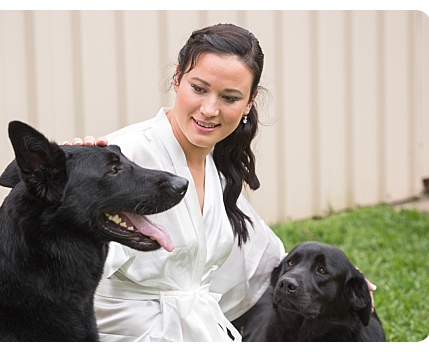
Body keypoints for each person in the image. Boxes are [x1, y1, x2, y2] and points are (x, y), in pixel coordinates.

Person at [64, 23, 283, 341]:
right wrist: (70, 176)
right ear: (178, 78)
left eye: (230, 97)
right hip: (124, 336)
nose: (210, 109)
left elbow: (262, 251)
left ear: (250, 102)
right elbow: (60, 250)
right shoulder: (126, 155)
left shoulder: (212, 166)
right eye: (199, 88)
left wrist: (348, 278)